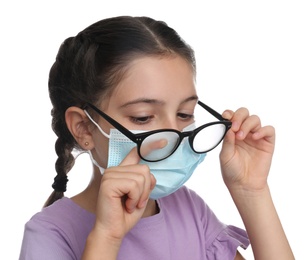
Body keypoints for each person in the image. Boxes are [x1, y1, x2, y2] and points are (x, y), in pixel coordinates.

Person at [19, 16, 294, 260]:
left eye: (185, 114)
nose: (174, 138)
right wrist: (107, 237)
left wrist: (251, 191)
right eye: (143, 117)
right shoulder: (50, 233)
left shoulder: (189, 209)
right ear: (84, 128)